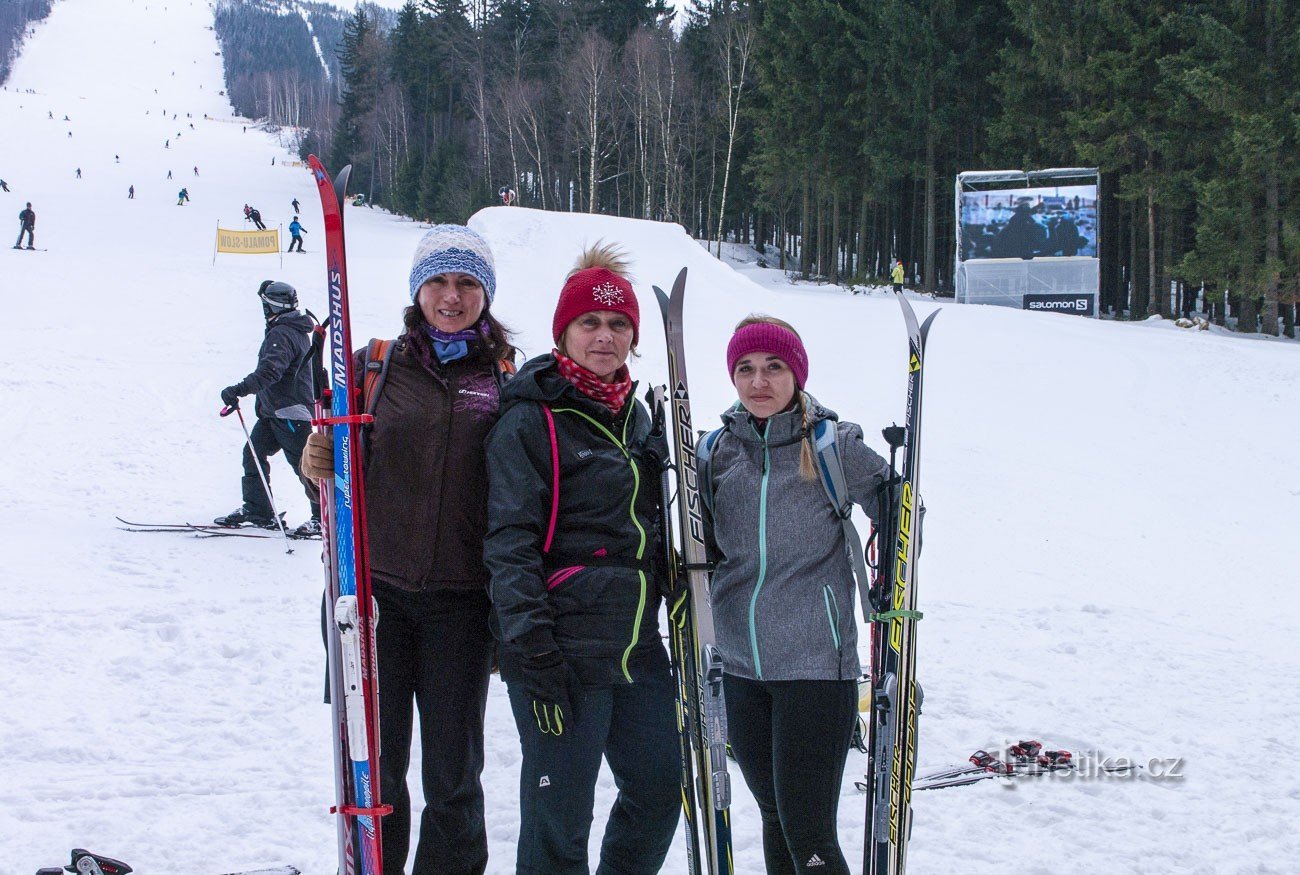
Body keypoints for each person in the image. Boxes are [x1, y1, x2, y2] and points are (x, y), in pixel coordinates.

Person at [300, 226, 516, 874]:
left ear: (486, 293)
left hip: (460, 605)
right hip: (376, 598)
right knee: (376, 770)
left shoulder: (506, 380)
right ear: (419, 289)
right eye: (440, 282)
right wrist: (319, 462)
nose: (452, 296)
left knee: (454, 778)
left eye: (467, 283)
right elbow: (336, 471)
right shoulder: (375, 365)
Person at [484, 244, 681, 875]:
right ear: (563, 332)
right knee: (558, 824)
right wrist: (531, 648)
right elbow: (509, 542)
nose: (604, 336)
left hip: (636, 649)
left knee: (657, 795)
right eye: (589, 324)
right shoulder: (529, 419)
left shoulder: (640, 419)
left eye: (618, 324)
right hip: (560, 652)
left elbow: (642, 529)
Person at [700, 316, 891, 875]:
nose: (759, 381)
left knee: (809, 831)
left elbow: (902, 510)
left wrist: (890, 557)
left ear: (797, 373)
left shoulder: (833, 445)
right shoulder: (716, 453)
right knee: (775, 818)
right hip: (740, 667)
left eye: (774, 367)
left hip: (815, 666)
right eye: (746, 369)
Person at [214, 281, 322, 533]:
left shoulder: (282, 333)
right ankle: (258, 510)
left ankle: (323, 518)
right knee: (253, 454)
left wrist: (237, 390)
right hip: (274, 411)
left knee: (305, 467)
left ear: (270, 306)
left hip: (289, 413)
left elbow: (270, 372)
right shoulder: (291, 329)